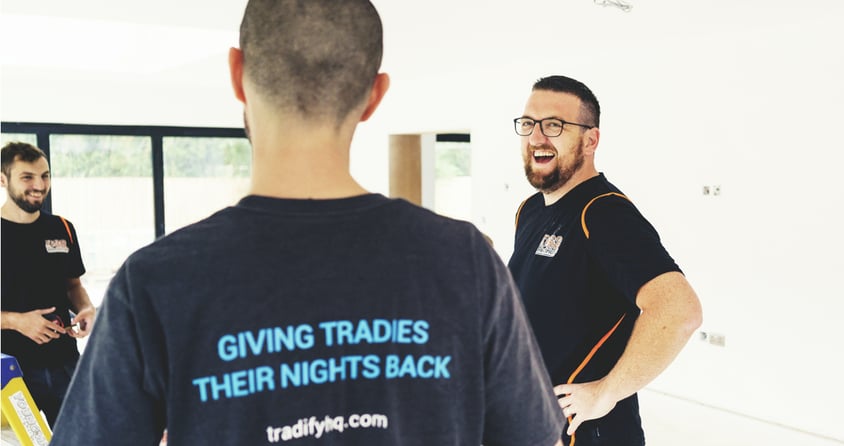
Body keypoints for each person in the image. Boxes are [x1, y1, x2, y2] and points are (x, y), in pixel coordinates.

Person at [50, 1, 565, 445]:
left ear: (236, 74)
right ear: (374, 96)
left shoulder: (154, 281)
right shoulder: (466, 260)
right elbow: (533, 436)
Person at [508, 75, 703, 446]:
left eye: (554, 125)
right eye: (529, 124)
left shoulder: (603, 212)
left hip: (594, 435)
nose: (536, 137)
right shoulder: (530, 211)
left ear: (590, 139)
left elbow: (680, 311)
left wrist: (605, 392)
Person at [0, 141, 96, 427]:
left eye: (45, 175)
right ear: (3, 179)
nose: (39, 185)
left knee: (80, 436)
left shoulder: (62, 228)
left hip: (65, 363)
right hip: (11, 372)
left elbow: (73, 286)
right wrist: (17, 322)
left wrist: (87, 308)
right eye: (27, 177)